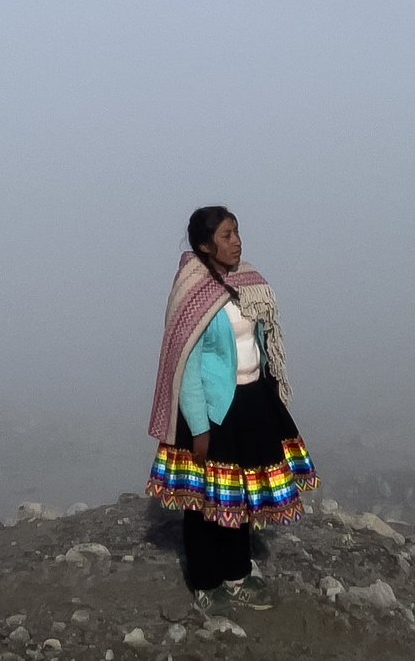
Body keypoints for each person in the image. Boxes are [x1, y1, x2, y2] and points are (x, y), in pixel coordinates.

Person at [145, 206, 319, 610]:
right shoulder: (192, 293)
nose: (236, 241)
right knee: (206, 500)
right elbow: (185, 366)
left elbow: (261, 339)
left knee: (238, 494)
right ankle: (207, 581)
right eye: (226, 236)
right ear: (205, 246)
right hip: (212, 412)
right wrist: (200, 427)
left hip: (252, 400)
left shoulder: (248, 282)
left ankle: (238, 572)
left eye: (237, 232)